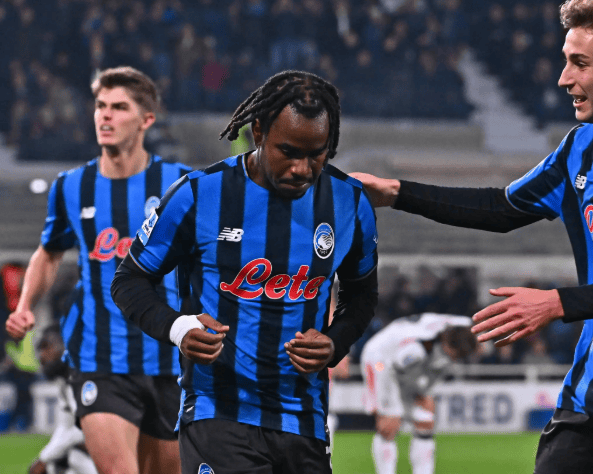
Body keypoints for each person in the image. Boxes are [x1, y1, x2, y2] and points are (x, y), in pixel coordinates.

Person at [351, 0, 593, 472]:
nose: (563, 79)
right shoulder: (580, 147)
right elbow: (502, 208)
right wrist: (396, 193)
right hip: (590, 390)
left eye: (580, 63)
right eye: (565, 61)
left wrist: (556, 303)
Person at [111, 70, 379, 474]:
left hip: (303, 420)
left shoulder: (350, 202)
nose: (302, 168)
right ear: (257, 132)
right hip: (218, 412)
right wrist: (179, 328)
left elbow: (362, 295)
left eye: (317, 154)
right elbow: (129, 280)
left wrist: (334, 341)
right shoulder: (199, 194)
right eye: (288, 151)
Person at [5, 66, 190, 474]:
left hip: (169, 361)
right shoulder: (72, 186)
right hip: (99, 360)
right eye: (100, 106)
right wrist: (25, 304)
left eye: (119, 107)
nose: (105, 115)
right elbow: (49, 254)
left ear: (146, 120)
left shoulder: (180, 185)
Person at [361, 313, 475, 474]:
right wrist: (417, 393)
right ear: (447, 345)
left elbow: (475, 323)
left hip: (409, 365)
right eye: (455, 355)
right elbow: (396, 370)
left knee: (426, 420)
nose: (455, 359)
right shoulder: (415, 350)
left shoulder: (462, 326)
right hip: (381, 361)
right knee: (390, 423)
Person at [28, 324, 98, 474]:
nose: (42, 355)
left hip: (125, 447)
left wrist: (44, 458)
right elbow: (66, 426)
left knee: (73, 456)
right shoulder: (65, 381)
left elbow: (87, 429)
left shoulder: (87, 378)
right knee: (63, 461)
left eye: (47, 347)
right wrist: (44, 458)